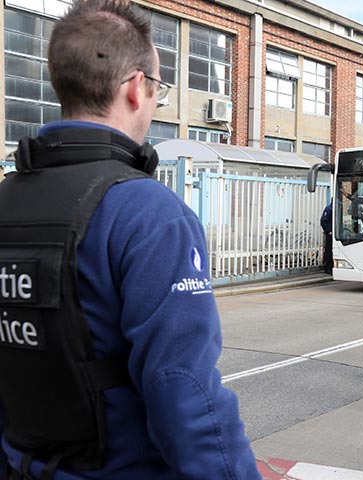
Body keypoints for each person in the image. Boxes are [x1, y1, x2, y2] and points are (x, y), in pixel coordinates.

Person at [0, 1, 260, 479]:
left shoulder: (6, 200)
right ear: (137, 88)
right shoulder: (148, 213)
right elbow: (183, 391)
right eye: (158, 88)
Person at [321, 200, 333, 274]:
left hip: (334, 233)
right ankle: (328, 268)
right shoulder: (329, 209)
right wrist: (329, 231)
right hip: (330, 234)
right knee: (329, 250)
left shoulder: (336, 208)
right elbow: (323, 221)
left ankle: (331, 266)